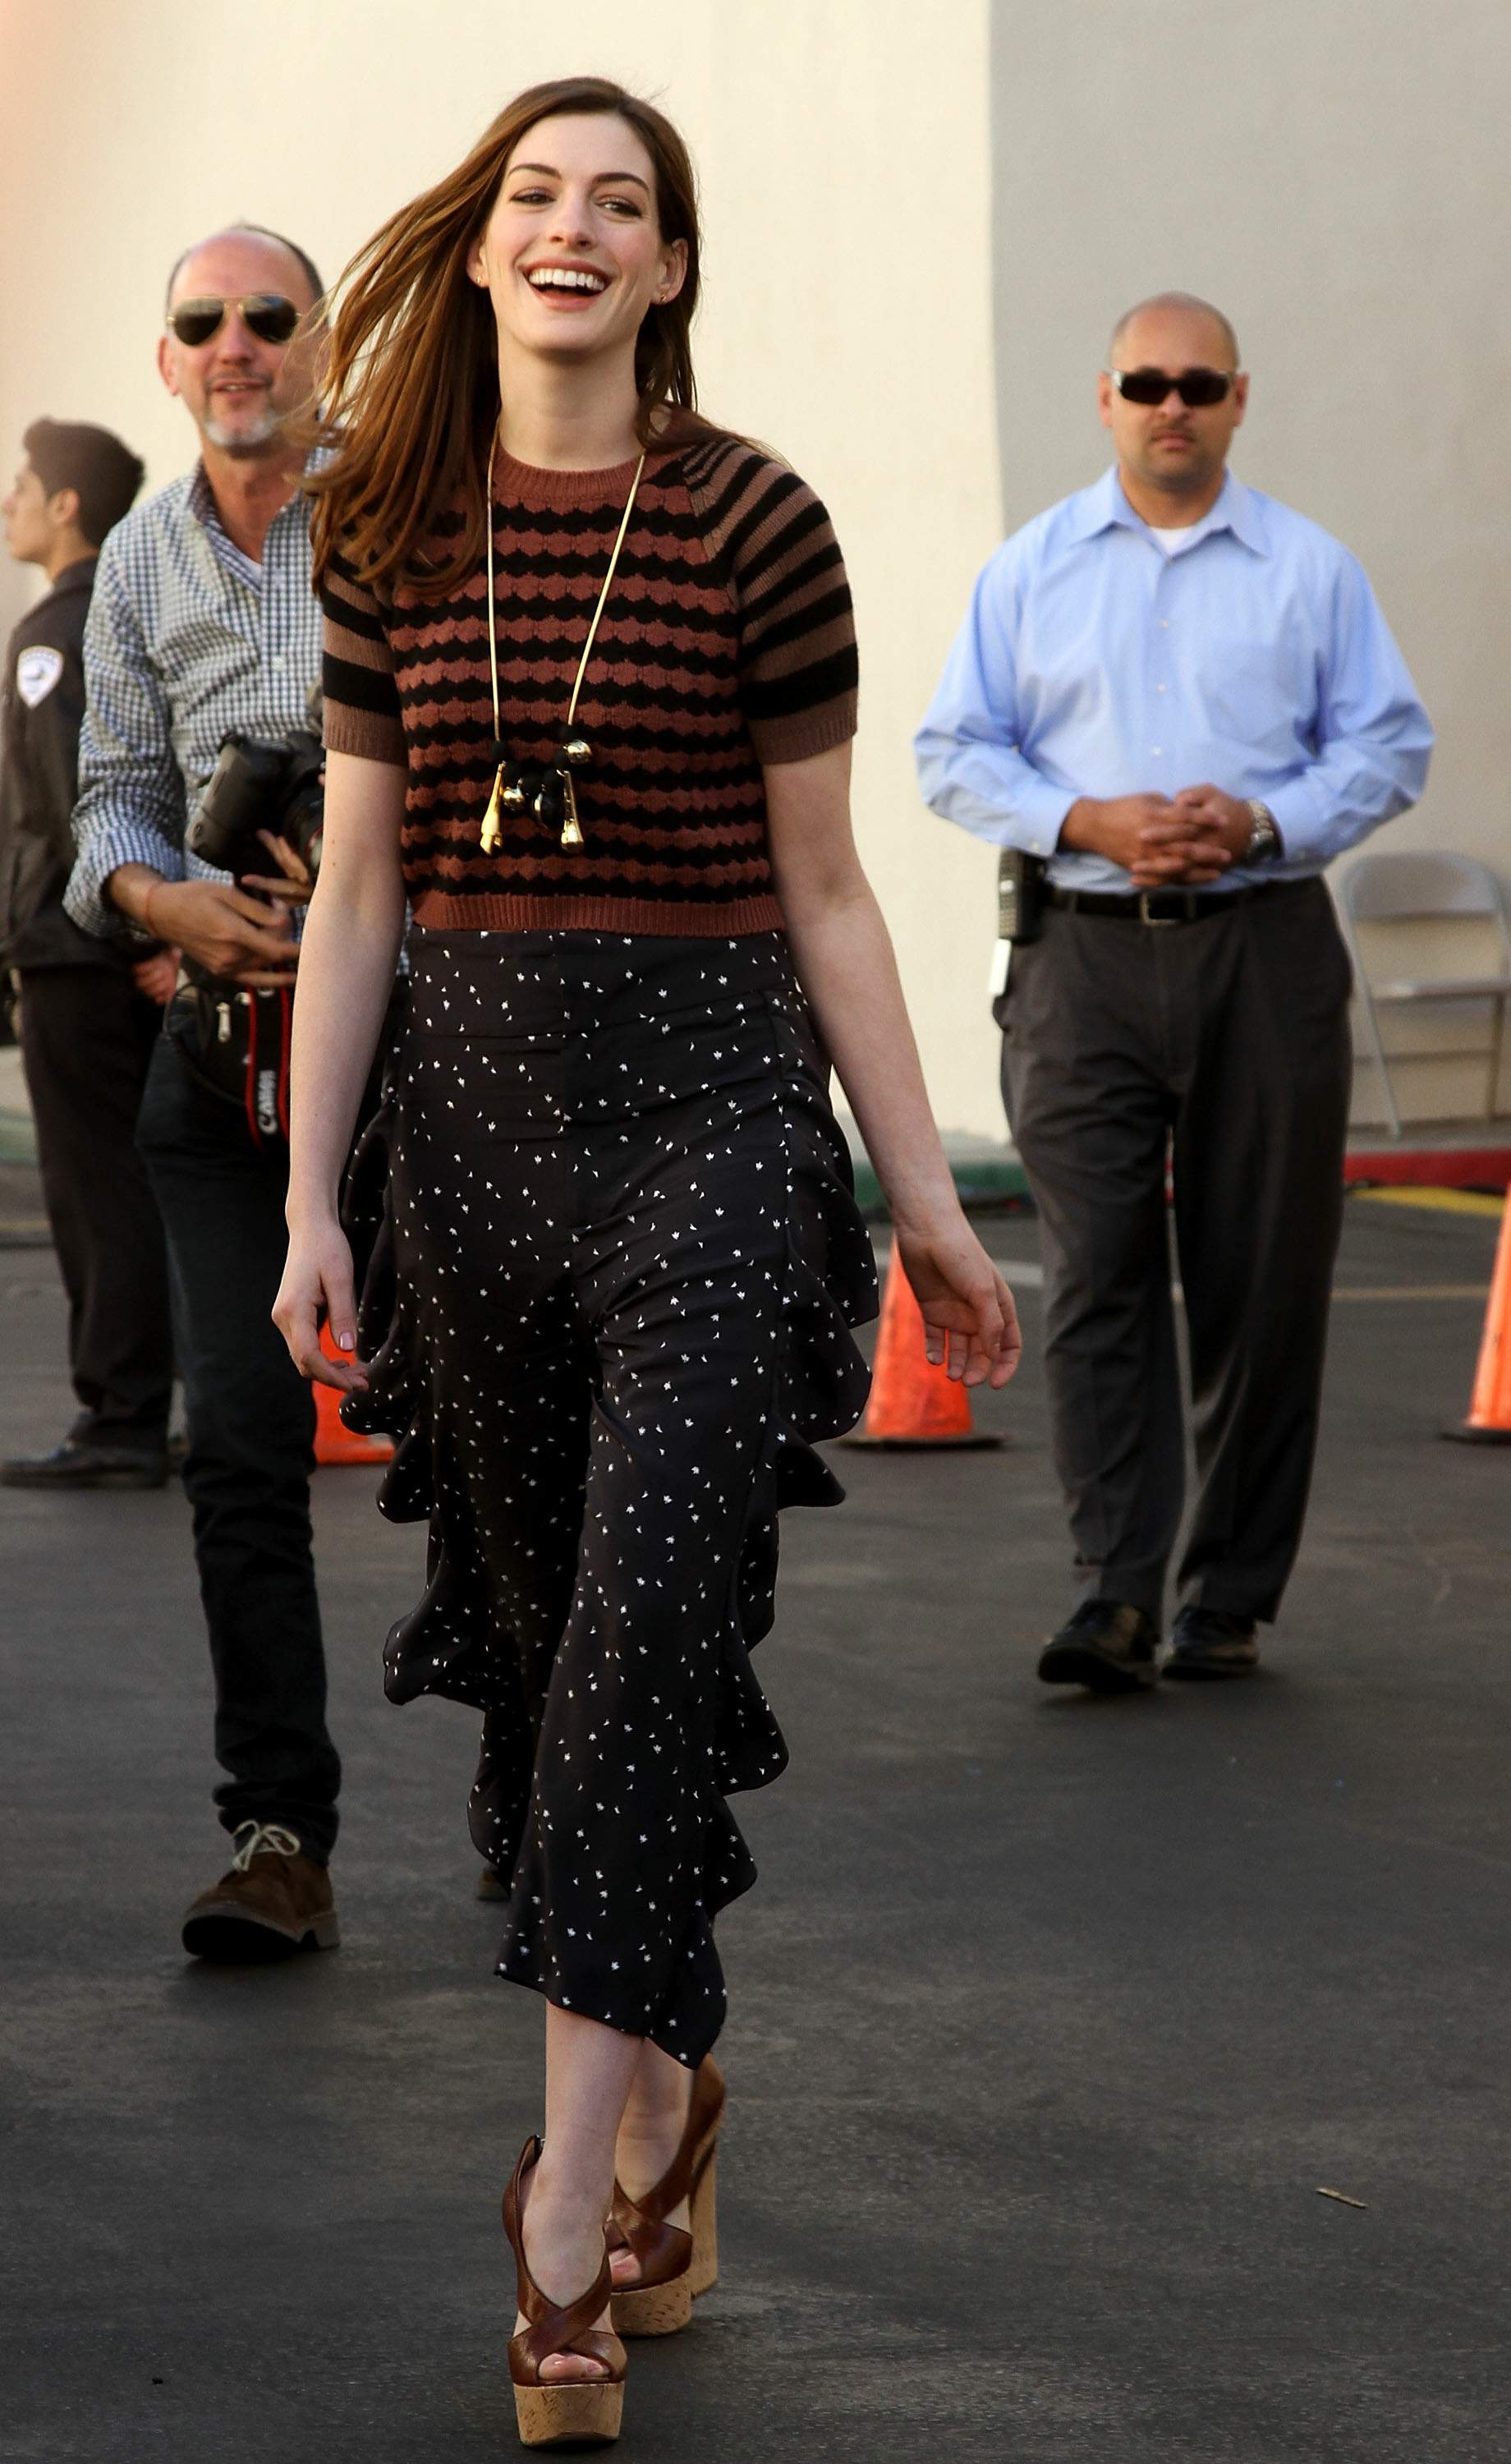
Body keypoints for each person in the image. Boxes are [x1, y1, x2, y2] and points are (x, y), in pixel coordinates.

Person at [271, 76, 1020, 2449]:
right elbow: (365, 888)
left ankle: (564, 2231)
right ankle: (674, 2094)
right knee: (539, 1661)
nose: (574, 230)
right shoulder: (391, 519)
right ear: (484, 252)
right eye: (535, 198)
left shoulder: (756, 523)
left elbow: (825, 892)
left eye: (622, 204)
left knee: (644, 1626)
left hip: (709, 1114)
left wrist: (925, 1198)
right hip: (469, 1139)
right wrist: (311, 1194)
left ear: (671, 267)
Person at [917, 290, 1433, 1694]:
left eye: (1198, 385)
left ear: (1239, 399)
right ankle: (1114, 1590)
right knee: (1097, 1276)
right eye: (1146, 383)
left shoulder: (1309, 569)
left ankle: (1228, 1596)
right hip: (1082, 955)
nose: (1171, 407)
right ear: (1105, 398)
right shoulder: (1030, 571)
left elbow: (1389, 746)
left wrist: (1261, 823)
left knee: (1263, 1282)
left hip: (1261, 945)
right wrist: (1093, 822)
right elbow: (952, 752)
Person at [63, 226, 347, 1960]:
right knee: (238, 1448)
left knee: (482, 1445)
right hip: (218, 1075)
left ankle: (539, 1787)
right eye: (201, 325)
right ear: (165, 363)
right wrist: (164, 902)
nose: (235, 347)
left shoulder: (399, 518)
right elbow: (110, 801)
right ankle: (277, 1834)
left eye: (268, 319)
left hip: (417, 1064)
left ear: (321, 346)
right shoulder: (135, 564)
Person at [1, 418, 177, 1489]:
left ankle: (119, 1419)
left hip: (78, 951)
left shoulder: (53, 636)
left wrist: (136, 934)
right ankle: (140, 1404)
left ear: (67, 506)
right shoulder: (121, 616)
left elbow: (80, 805)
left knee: (94, 1187)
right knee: (136, 1182)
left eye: (22, 485)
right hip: (107, 942)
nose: (9, 501)